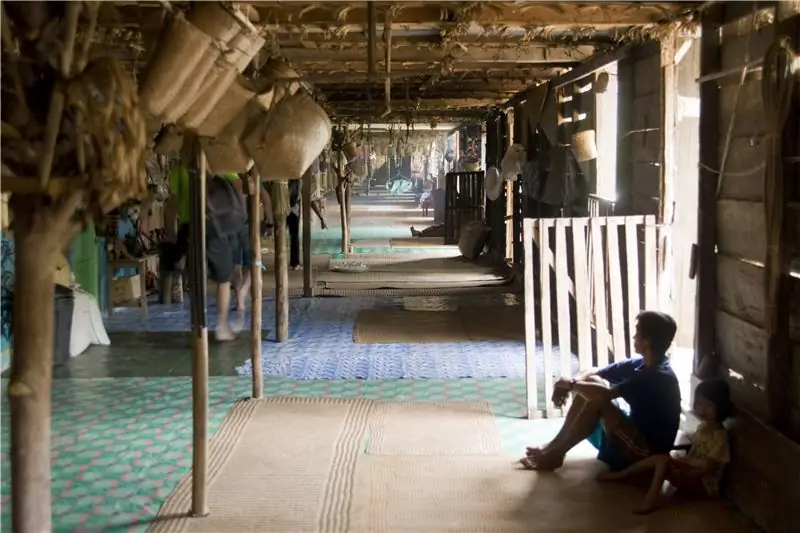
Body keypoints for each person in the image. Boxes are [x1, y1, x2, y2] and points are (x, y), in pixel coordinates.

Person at [520, 311, 682, 475]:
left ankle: (555, 454)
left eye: (637, 333)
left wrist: (571, 385)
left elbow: (604, 395)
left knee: (597, 399)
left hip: (647, 452)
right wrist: (571, 383)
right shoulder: (641, 364)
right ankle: (553, 447)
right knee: (592, 384)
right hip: (634, 436)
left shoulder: (656, 376)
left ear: (647, 340)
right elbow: (595, 372)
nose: (633, 337)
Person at [597, 379, 731, 514]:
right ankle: (621, 475)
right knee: (660, 458)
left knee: (663, 460)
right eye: (700, 403)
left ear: (721, 407)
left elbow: (708, 469)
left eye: (709, 405)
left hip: (704, 485)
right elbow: (692, 455)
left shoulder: (720, 437)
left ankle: (651, 499)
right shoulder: (702, 427)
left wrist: (683, 472)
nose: (702, 409)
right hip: (690, 470)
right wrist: (678, 465)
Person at [206, 173, 248, 341]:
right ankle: (222, 325)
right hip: (217, 229)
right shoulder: (226, 170)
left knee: (202, 278)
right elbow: (239, 189)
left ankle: (199, 326)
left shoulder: (183, 171)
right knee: (224, 280)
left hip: (196, 227)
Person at [287, 179, 327, 270]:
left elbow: (310, 200)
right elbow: (309, 199)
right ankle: (294, 263)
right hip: (288, 211)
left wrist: (321, 218)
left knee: (294, 237)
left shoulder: (298, 182)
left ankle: (294, 262)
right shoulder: (296, 181)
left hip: (293, 211)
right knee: (293, 237)